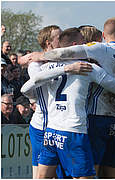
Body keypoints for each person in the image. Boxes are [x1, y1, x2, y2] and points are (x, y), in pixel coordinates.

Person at [27, 17, 115, 178]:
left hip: (51, 131)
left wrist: (39, 58)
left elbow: (27, 86)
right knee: (93, 175)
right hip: (81, 127)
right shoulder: (93, 66)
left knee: (42, 177)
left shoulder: (44, 67)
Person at [19, 25, 92, 179]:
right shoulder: (36, 65)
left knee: (63, 174)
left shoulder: (66, 61)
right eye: (59, 38)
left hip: (58, 126)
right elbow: (33, 84)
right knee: (40, 175)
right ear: (48, 43)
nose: (63, 41)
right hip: (42, 126)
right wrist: (67, 68)